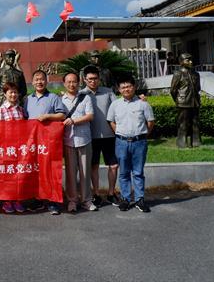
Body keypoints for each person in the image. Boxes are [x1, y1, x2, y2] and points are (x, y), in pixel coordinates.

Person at [107, 75, 155, 213]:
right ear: (119, 89)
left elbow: (150, 122)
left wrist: (143, 135)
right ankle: (125, 199)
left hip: (139, 143)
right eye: (123, 87)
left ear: (134, 87)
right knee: (124, 172)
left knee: (138, 172)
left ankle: (140, 199)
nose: (126, 89)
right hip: (121, 143)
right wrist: (119, 133)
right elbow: (111, 121)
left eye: (128, 86)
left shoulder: (143, 104)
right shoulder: (115, 104)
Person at [24, 69, 66, 215]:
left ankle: (53, 201)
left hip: (49, 141)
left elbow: (62, 115)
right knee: (36, 170)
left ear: (46, 81)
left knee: (50, 170)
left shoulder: (53, 97)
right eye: (36, 79)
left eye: (42, 79)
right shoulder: (27, 99)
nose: (39, 82)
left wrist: (48, 116)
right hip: (33, 142)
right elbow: (24, 119)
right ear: (32, 82)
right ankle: (38, 199)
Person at [81, 65, 120, 207]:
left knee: (114, 166)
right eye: (90, 79)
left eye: (95, 78)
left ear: (99, 79)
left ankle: (111, 193)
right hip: (91, 137)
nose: (93, 81)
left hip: (110, 135)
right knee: (94, 167)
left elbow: (119, 107)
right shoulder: (81, 94)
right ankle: (96, 194)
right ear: (84, 79)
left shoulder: (108, 92)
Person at [61, 73, 96, 213]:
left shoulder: (85, 98)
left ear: (78, 82)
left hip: (84, 140)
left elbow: (90, 116)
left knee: (85, 172)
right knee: (70, 174)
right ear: (64, 83)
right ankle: (72, 201)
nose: (71, 84)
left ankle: (86, 200)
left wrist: (74, 121)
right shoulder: (60, 100)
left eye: (74, 81)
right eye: (68, 82)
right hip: (68, 141)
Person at [0, 82, 26, 214]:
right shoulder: (1, 110)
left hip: (20, 147)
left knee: (18, 174)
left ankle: (17, 199)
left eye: (15, 92)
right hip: (7, 147)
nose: (13, 95)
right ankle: (7, 200)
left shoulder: (21, 109)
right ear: (5, 94)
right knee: (8, 174)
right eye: (10, 92)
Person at [170, 53, 201, 148]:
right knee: (183, 123)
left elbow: (198, 88)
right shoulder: (178, 73)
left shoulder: (196, 74)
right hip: (183, 103)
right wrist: (179, 100)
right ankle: (182, 142)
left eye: (191, 60)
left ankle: (196, 142)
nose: (191, 62)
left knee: (195, 122)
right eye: (188, 60)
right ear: (181, 62)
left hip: (195, 102)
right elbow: (173, 90)